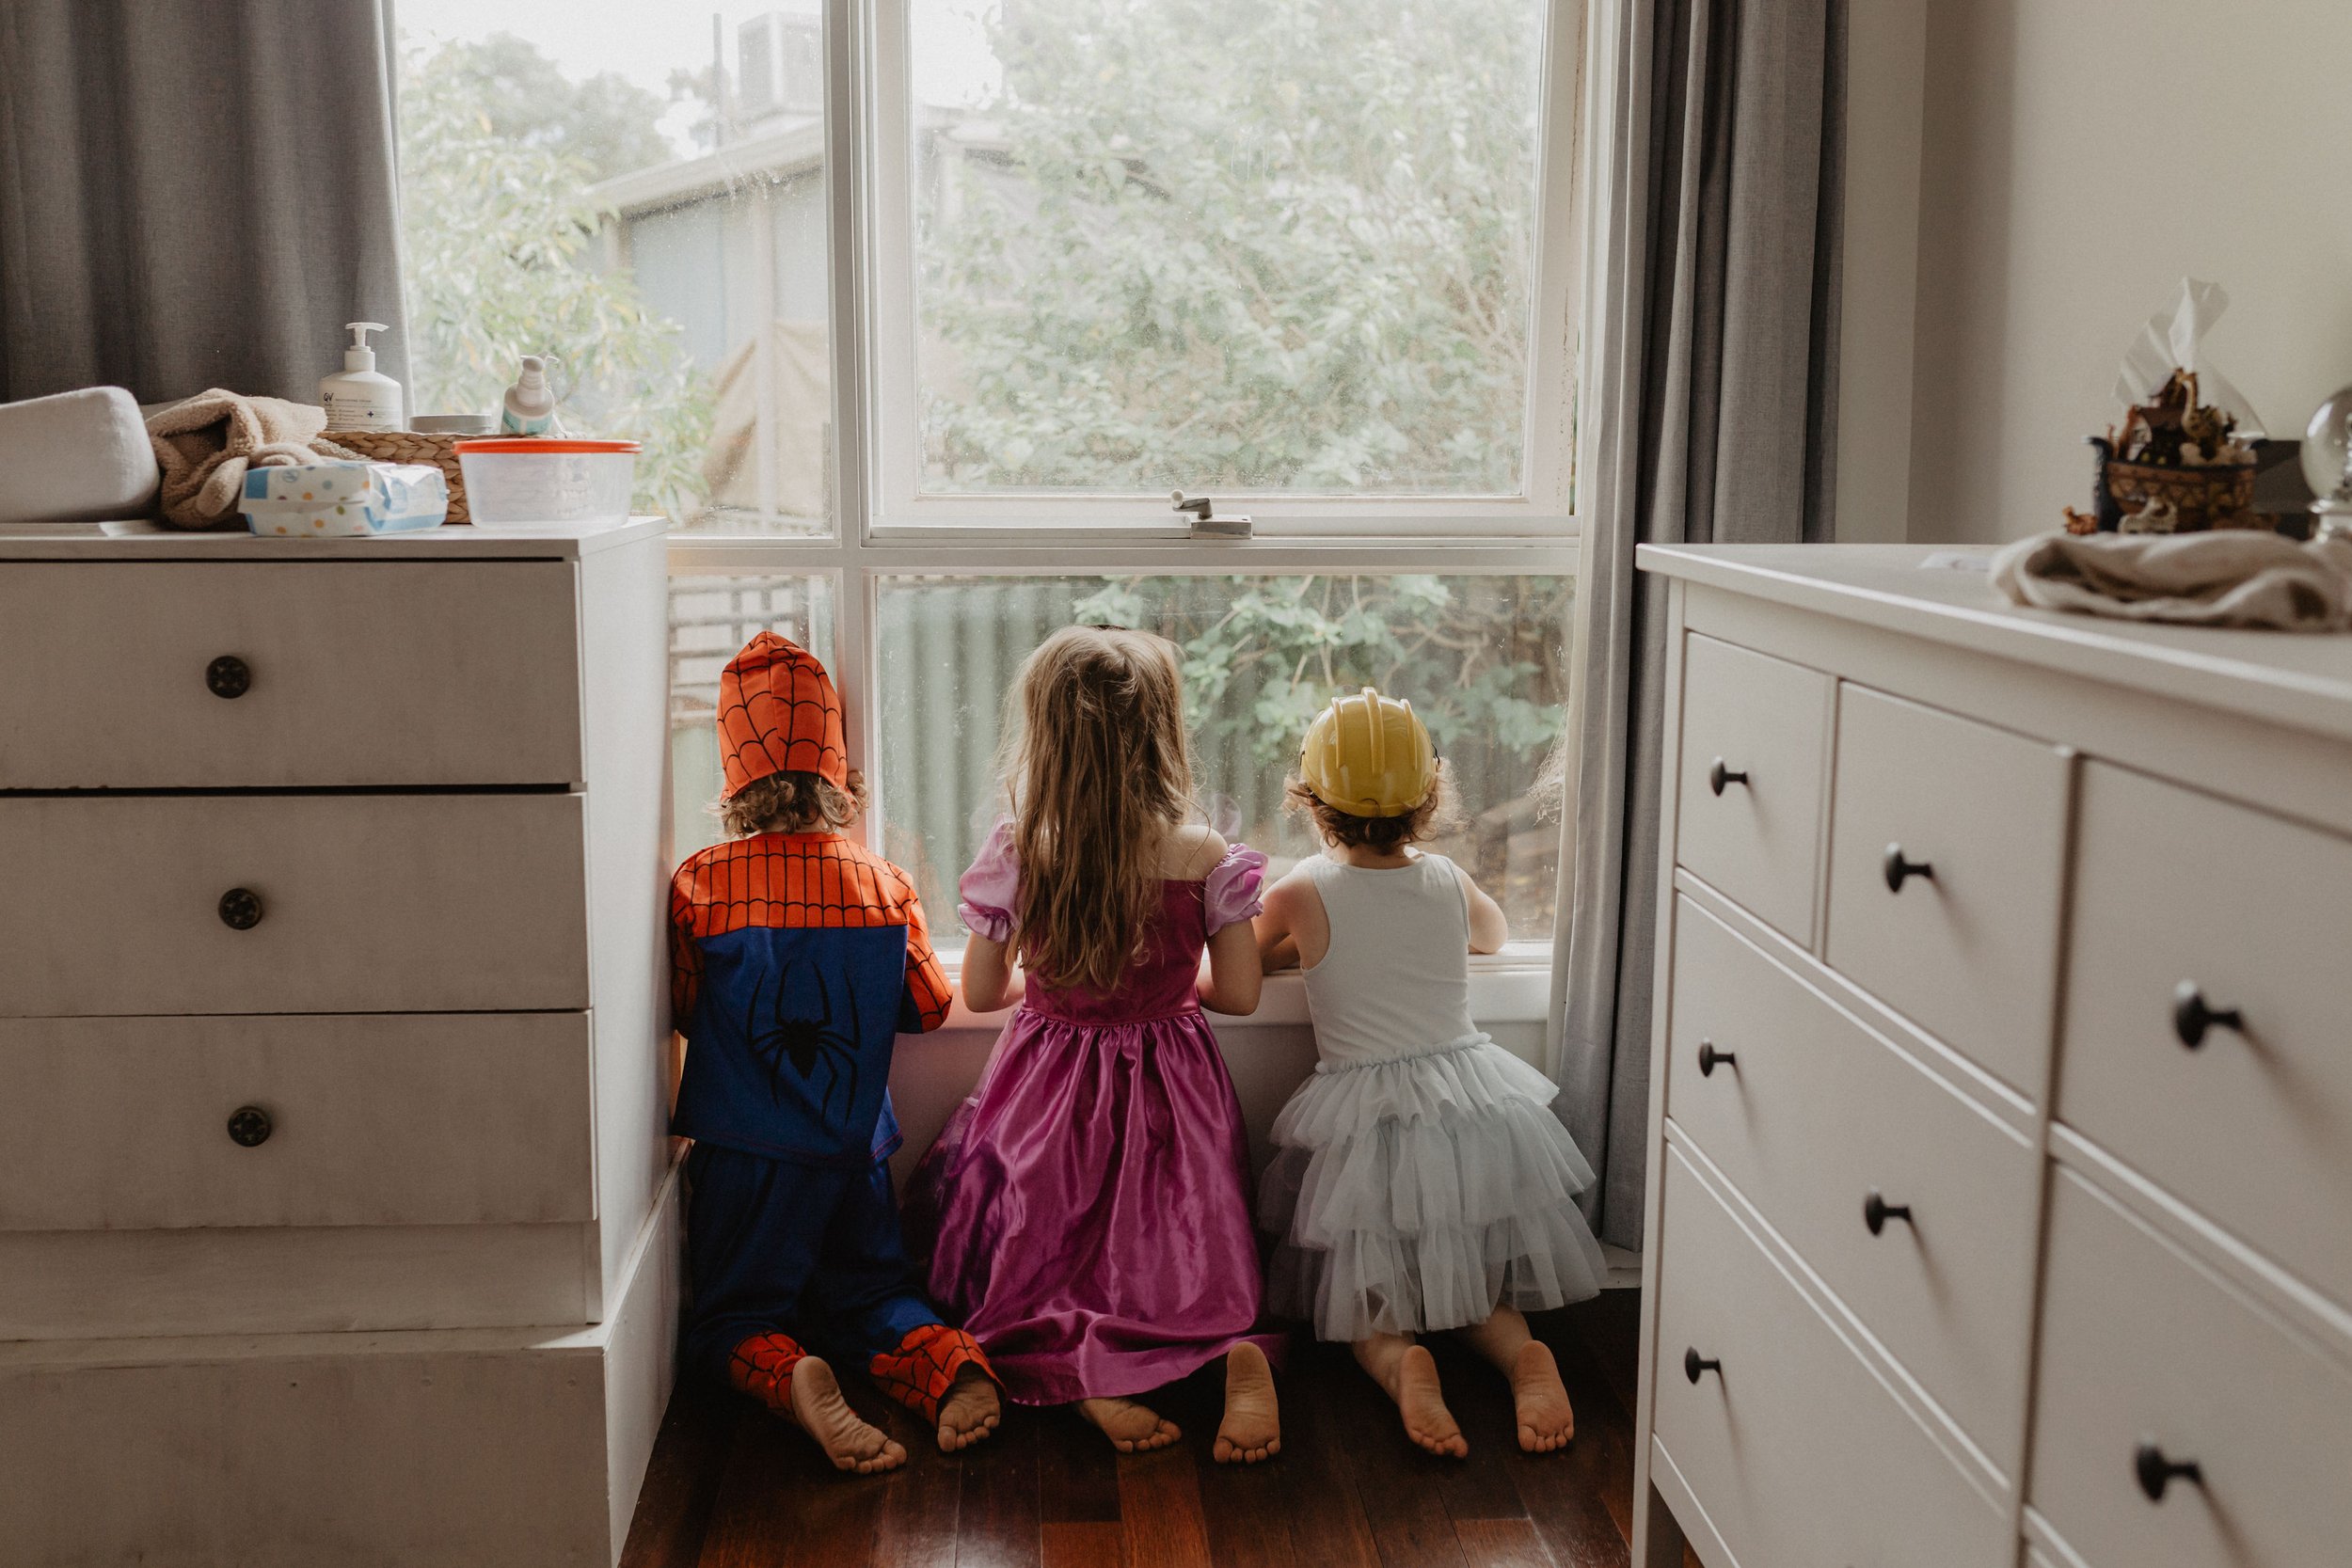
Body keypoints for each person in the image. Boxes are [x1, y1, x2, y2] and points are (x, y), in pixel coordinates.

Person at [906, 626, 1283, 1464]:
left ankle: (1086, 1374)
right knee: (1168, 1241)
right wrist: (1177, 986)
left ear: (1046, 735)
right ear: (1160, 732)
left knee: (1038, 1253)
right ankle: (1226, 1349)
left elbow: (978, 992)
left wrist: (1041, 983)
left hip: (1048, 1083)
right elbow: (1246, 996)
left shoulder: (1023, 847)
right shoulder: (1202, 853)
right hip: (1170, 1084)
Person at [669, 631, 1002, 1474]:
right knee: (875, 1292)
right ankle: (946, 1366)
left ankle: (787, 1373)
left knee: (729, 1315)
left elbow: (680, 1007)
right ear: (837, 772)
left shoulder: (701, 883)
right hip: (855, 1152)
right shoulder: (882, 883)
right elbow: (929, 1009)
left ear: (734, 777)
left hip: (745, 1156)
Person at [1254, 687, 1608, 1457]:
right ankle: (1521, 1353)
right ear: (1428, 797)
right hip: (1468, 1106)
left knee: (1367, 1304)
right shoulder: (1447, 879)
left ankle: (1400, 1360)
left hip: (1364, 1121)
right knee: (1479, 1284)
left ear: (1312, 802)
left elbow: (1250, 961)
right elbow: (1495, 934)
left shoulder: (1299, 890)